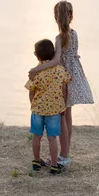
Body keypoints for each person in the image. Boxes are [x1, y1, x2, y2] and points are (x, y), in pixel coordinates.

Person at [28, 1, 94, 167]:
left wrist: (38, 69)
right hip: (74, 73)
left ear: (55, 17)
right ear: (71, 16)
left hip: (63, 78)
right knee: (67, 116)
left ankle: (63, 156)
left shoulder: (59, 38)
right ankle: (65, 153)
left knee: (63, 117)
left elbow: (57, 60)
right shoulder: (75, 34)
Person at [25, 38, 72, 175]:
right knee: (52, 138)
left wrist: (33, 105)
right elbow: (64, 89)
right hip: (54, 110)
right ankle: (53, 164)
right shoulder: (60, 70)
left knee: (36, 136)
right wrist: (62, 105)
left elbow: (31, 91)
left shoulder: (36, 72)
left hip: (38, 110)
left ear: (37, 56)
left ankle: (36, 160)